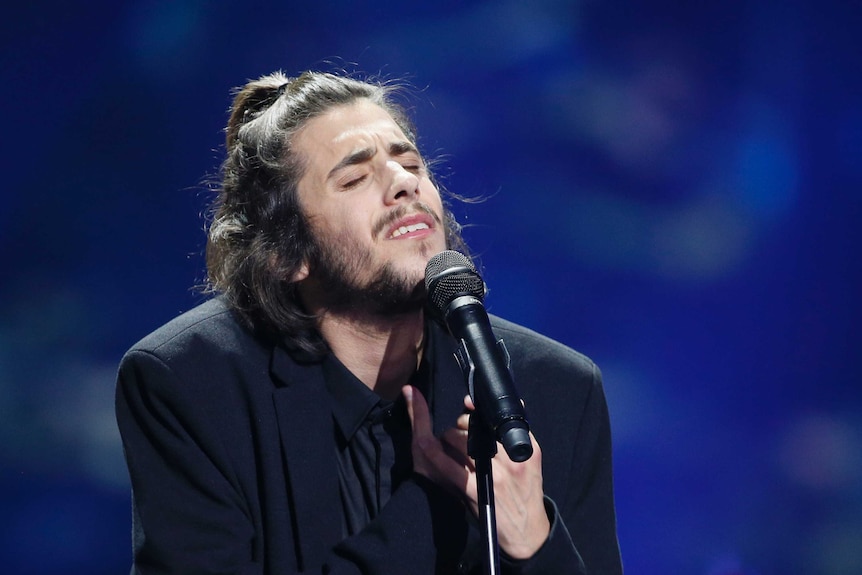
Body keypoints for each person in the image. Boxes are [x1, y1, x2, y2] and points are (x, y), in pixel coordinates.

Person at [116, 70, 623, 575]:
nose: (404, 184)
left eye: (410, 164)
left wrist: (534, 542)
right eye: (355, 178)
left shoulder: (557, 390)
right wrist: (433, 507)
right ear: (285, 254)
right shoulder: (192, 383)